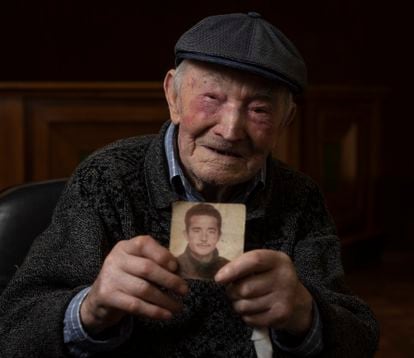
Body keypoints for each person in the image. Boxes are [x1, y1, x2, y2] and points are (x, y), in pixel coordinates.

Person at [0, 12, 379, 357]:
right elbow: (14, 328)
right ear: (173, 96)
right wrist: (90, 308)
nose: (231, 130)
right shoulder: (106, 177)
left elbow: (359, 337)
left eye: (259, 109)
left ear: (287, 119)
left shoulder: (300, 197)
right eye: (211, 98)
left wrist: (307, 315)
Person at [176, 203, 229, 280]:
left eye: (211, 231)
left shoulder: (228, 266)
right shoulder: (175, 265)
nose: (204, 238)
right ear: (186, 235)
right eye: (196, 231)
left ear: (219, 236)